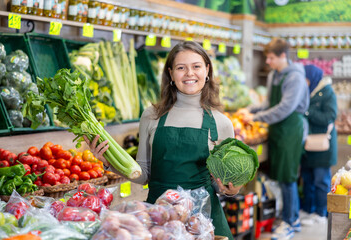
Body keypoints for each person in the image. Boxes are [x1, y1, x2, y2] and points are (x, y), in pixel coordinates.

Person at [85, 41, 242, 239]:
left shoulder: (222, 123)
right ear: (170, 73)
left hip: (203, 221)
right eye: (181, 68)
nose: (189, 73)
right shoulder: (151, 116)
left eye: (196, 66)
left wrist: (231, 189)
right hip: (159, 218)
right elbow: (144, 174)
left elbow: (222, 184)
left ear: (207, 70)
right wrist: (108, 163)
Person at [236, 38, 309, 240]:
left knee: (288, 178)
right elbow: (268, 102)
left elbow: (285, 108)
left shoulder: (295, 77)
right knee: (279, 176)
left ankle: (291, 222)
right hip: (277, 130)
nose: (267, 61)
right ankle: (287, 217)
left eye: (271, 57)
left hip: (291, 130)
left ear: (283, 56)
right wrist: (249, 110)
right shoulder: (274, 75)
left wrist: (256, 117)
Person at [300, 65, 338, 226]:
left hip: (323, 146)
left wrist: (307, 111)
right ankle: (309, 210)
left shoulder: (327, 92)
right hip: (308, 145)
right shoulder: (307, 91)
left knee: (321, 181)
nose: (305, 82)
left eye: (306, 79)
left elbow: (329, 117)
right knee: (307, 179)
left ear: (313, 78)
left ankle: (321, 213)